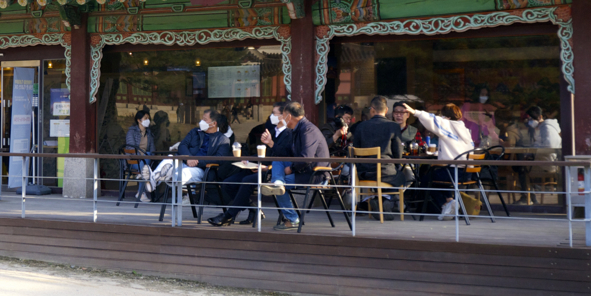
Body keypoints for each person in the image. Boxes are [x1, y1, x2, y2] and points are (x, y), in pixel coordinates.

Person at [210, 101, 329, 231]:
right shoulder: (297, 129)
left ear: (288, 116)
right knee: (276, 167)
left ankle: (292, 217)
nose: (279, 118)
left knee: (275, 186)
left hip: (313, 174)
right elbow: (286, 153)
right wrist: (271, 145)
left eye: (282, 115)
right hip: (297, 170)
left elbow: (307, 158)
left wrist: (291, 169)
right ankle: (277, 182)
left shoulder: (307, 130)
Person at [400, 102, 474, 218]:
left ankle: (446, 203)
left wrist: (414, 112)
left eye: (443, 115)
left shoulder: (447, 125)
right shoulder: (464, 129)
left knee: (426, 180)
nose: (441, 118)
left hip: (452, 171)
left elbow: (431, 119)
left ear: (447, 117)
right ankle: (450, 201)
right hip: (466, 173)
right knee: (437, 176)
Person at [139, 109, 230, 202]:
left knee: (183, 173)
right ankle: (156, 178)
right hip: (184, 161)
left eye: (205, 119)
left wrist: (198, 162)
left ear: (214, 123)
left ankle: (158, 178)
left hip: (201, 169)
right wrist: (188, 158)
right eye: (202, 119)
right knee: (169, 158)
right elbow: (182, 145)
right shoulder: (195, 132)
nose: (201, 121)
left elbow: (219, 159)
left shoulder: (222, 140)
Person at [350, 96, 410, 186]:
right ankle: (386, 194)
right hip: (386, 173)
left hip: (364, 173)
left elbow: (355, 151)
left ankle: (372, 194)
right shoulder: (393, 126)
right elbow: (398, 154)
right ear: (386, 110)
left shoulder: (361, 126)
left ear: (372, 110)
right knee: (404, 176)